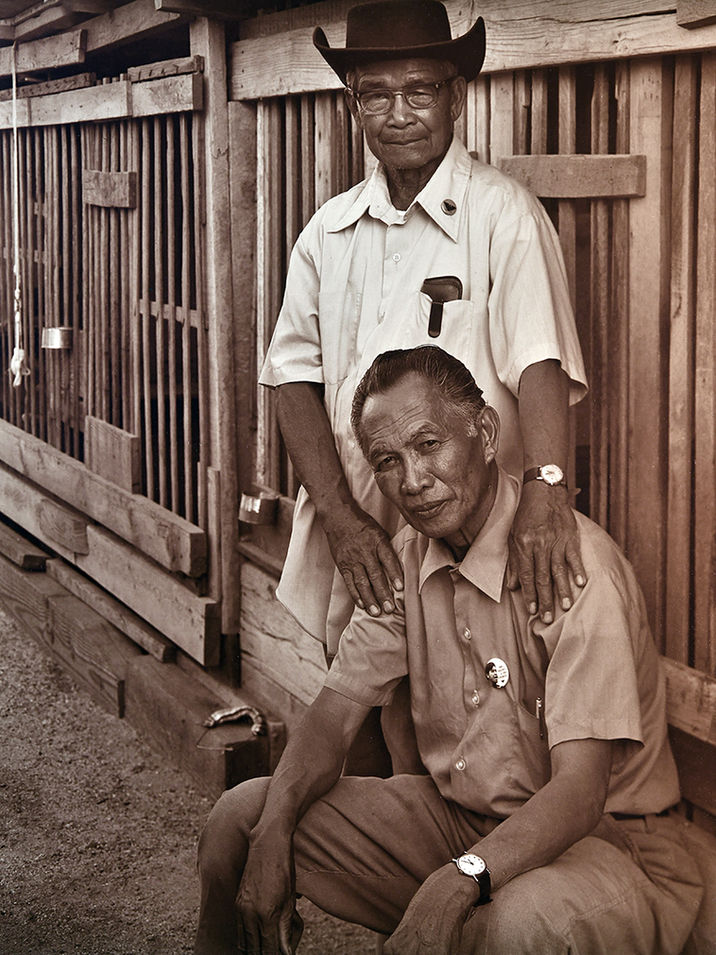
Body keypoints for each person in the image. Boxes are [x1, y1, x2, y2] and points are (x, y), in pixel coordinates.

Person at [196, 347, 702, 955]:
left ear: (485, 434)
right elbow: (330, 723)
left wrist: (458, 880)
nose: (412, 480)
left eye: (429, 444)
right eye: (388, 461)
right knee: (241, 821)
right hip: (460, 825)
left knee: (509, 925)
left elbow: (581, 793)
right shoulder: (407, 560)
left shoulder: (567, 561)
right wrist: (274, 828)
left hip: (605, 844)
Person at [259, 0, 589, 663]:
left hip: (469, 530)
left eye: (419, 90)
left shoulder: (502, 215)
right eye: (375, 95)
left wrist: (549, 490)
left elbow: (540, 364)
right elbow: (290, 379)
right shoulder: (328, 232)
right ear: (354, 106)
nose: (399, 113)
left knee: (473, 711)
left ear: (455, 97)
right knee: (360, 700)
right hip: (363, 528)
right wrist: (340, 518)